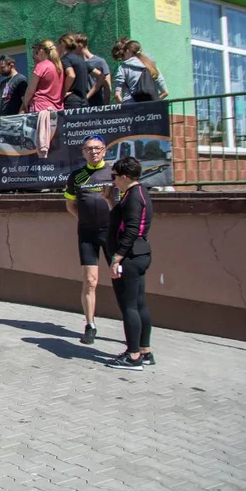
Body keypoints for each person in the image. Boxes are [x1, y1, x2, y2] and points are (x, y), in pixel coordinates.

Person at [104, 156, 156, 371]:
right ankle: (145, 350)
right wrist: (110, 200)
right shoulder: (134, 194)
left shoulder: (134, 197)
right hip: (138, 254)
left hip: (131, 257)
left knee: (129, 306)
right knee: (139, 303)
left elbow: (132, 230)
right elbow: (121, 219)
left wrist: (117, 258)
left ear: (125, 176)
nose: (113, 180)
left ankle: (133, 355)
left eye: (114, 176)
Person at [64, 135, 114, 345]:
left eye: (97, 148)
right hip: (87, 234)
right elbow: (70, 206)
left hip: (112, 234)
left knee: (121, 281)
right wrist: (85, 221)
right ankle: (90, 325)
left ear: (104, 151)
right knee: (90, 281)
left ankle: (130, 325)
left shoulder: (114, 173)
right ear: (83, 152)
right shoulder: (76, 176)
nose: (93, 152)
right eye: (88, 149)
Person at [113, 38, 168, 103]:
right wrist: (152, 104)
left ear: (127, 51)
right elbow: (165, 92)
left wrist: (125, 107)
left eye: (123, 54)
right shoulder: (151, 65)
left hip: (131, 106)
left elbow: (117, 95)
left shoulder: (123, 68)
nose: (123, 58)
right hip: (151, 109)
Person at [20, 40, 64, 113]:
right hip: (57, 109)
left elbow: (30, 91)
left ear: (42, 51)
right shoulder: (59, 67)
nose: (34, 56)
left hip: (41, 109)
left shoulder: (41, 66)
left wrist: (24, 106)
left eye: (37, 52)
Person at [75, 34, 111, 107]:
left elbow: (107, 86)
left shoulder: (100, 62)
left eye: (73, 46)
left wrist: (106, 107)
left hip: (97, 104)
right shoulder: (75, 63)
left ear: (79, 45)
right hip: (80, 104)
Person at [59, 33, 91, 110]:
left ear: (62, 45)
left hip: (72, 101)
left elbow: (71, 75)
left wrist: (63, 92)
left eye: (58, 45)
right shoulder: (80, 60)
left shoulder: (65, 59)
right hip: (84, 100)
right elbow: (100, 75)